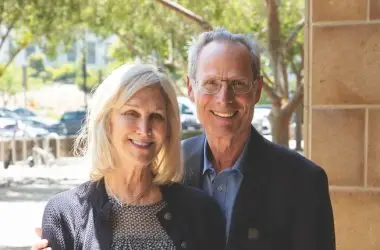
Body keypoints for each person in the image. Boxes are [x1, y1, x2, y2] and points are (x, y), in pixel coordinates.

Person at [33, 28, 335, 250]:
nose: (224, 98)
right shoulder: (168, 166)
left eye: (238, 84)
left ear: (257, 90)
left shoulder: (303, 183)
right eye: (212, 83)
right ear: (191, 89)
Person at [36, 63, 225, 250]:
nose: (144, 130)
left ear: (168, 128)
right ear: (107, 122)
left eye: (156, 116)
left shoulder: (202, 212)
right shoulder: (65, 214)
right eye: (131, 113)